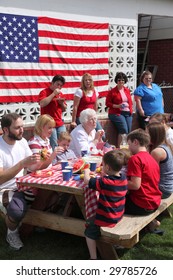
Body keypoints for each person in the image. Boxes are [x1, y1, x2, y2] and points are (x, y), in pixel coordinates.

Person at [0, 113, 41, 250]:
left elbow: (31, 166)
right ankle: (12, 233)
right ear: (6, 130)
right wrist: (22, 164)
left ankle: (35, 223)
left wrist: (42, 159)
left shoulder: (22, 141)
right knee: (16, 211)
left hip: (23, 185)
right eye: (17, 127)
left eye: (22, 126)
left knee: (51, 195)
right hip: (5, 189)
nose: (22, 130)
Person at [83, 150, 128, 260]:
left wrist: (86, 171)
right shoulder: (123, 178)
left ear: (107, 167)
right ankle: (117, 244)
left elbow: (87, 181)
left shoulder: (105, 182)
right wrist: (105, 175)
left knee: (89, 229)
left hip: (107, 218)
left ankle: (93, 258)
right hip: (118, 214)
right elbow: (109, 182)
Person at [125, 129, 162, 217]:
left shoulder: (135, 159)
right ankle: (152, 224)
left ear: (135, 142)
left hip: (142, 204)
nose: (128, 148)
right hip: (154, 201)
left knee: (107, 203)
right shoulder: (151, 157)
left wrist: (115, 182)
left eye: (129, 144)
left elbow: (135, 185)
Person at [38, 75, 67, 150]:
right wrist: (53, 94)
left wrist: (62, 104)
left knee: (64, 141)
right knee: (53, 144)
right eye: (57, 84)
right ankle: (54, 160)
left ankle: (63, 158)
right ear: (52, 83)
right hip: (49, 123)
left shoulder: (60, 94)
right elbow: (42, 103)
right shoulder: (44, 92)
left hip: (59, 122)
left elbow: (64, 109)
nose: (59, 87)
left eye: (61, 85)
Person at [106, 72, 133, 148]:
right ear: (116, 81)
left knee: (129, 130)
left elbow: (130, 101)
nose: (121, 82)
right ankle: (120, 148)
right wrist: (117, 106)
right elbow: (107, 103)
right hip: (116, 112)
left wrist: (130, 109)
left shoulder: (127, 90)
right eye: (119, 80)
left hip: (127, 112)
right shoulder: (112, 91)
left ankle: (127, 147)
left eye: (122, 80)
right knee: (124, 129)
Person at [147, 122, 173, 199]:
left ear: (154, 135)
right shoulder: (166, 145)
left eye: (146, 133)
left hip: (162, 190)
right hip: (168, 186)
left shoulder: (157, 152)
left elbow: (150, 174)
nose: (144, 136)